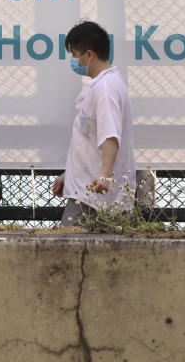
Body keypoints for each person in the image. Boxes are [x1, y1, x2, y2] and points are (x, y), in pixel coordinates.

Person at [52, 20, 136, 226]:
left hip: (92, 196)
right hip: (86, 189)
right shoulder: (101, 85)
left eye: (74, 55)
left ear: (88, 55)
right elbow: (87, 138)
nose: (73, 61)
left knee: (65, 254)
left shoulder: (105, 89)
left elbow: (110, 135)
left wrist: (104, 176)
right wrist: (69, 174)